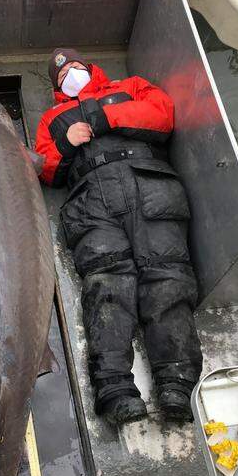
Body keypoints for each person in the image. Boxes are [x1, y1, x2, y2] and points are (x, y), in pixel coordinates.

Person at [34, 48, 203, 426]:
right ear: (55, 88)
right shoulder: (52, 117)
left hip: (149, 185)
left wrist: (105, 116)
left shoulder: (129, 87)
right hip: (91, 199)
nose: (70, 74)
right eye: (61, 76)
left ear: (90, 67)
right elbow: (45, 168)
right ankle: (114, 388)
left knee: (167, 276)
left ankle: (176, 381)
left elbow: (162, 115)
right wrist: (66, 144)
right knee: (107, 284)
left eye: (75, 66)